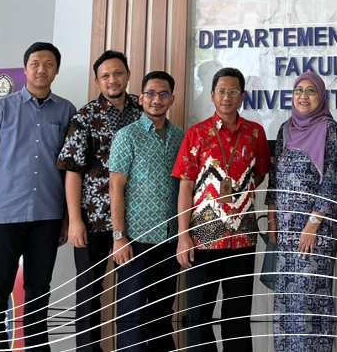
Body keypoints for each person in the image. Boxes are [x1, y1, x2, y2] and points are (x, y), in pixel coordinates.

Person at [0, 42, 76, 352]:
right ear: (25, 69)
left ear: (57, 69)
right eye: (35, 63)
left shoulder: (66, 111)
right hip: (3, 217)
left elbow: (70, 169)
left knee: (39, 294)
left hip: (48, 217)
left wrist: (66, 218)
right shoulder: (0, 109)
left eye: (49, 64)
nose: (42, 69)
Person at [173, 67, 271, 352]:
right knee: (199, 315)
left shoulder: (255, 133)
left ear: (242, 96)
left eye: (233, 91)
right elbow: (185, 187)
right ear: (212, 95)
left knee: (237, 315)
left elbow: (260, 173)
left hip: (242, 236)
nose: (226, 97)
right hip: (204, 236)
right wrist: (183, 235)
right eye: (221, 91)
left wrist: (236, 196)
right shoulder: (197, 134)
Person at [56, 49, 142, 352]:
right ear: (97, 81)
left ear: (128, 75)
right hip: (92, 219)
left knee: (133, 293)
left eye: (118, 73)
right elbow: (73, 171)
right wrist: (75, 221)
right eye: (105, 76)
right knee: (89, 292)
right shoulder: (85, 116)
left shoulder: (143, 109)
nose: (112, 80)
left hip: (136, 219)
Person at [266, 72, 337, 352]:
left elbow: (332, 182)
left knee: (310, 301)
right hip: (286, 233)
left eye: (310, 91)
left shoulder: (329, 129)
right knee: (287, 303)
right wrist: (272, 221)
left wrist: (311, 227)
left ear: (321, 96)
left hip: (316, 233)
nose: (303, 96)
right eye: (298, 90)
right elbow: (274, 178)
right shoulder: (285, 129)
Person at [109, 70, 184, 352]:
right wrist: (119, 237)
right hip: (135, 240)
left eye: (163, 94)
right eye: (151, 93)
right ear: (140, 98)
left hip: (170, 239)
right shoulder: (127, 136)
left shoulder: (180, 137)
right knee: (132, 316)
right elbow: (115, 188)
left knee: (161, 315)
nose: (156, 99)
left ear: (172, 99)